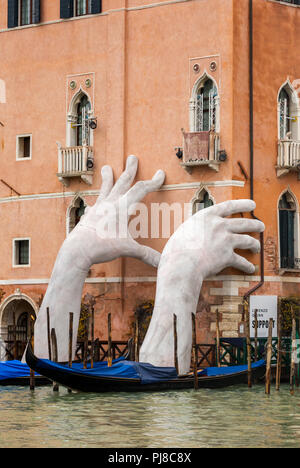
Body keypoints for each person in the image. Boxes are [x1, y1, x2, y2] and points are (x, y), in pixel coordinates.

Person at [34, 155, 264, 373]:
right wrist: (74, 255)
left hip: (153, 369)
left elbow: (44, 360)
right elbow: (45, 359)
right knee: (156, 374)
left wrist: (71, 258)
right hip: (159, 365)